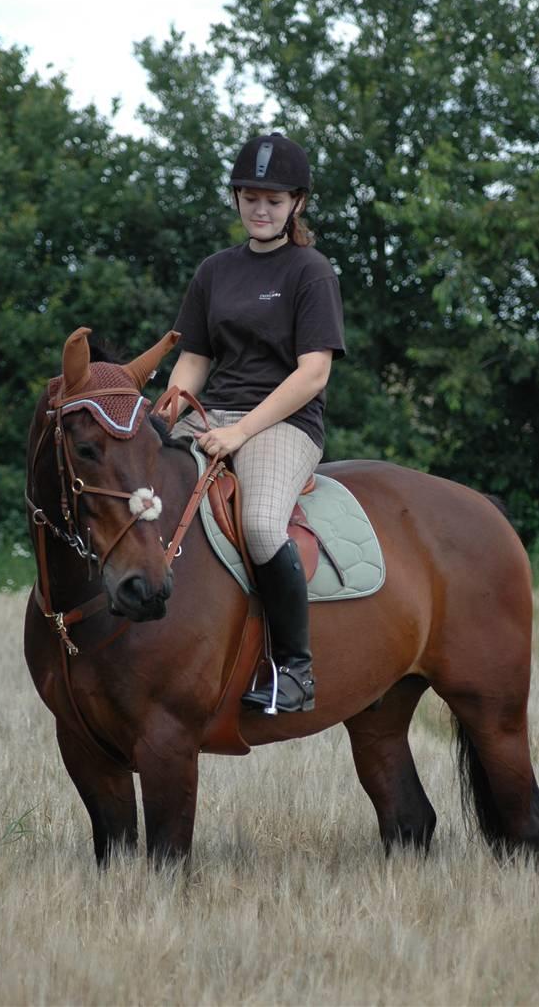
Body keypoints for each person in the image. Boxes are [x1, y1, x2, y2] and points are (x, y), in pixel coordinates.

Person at [167, 132, 345, 713]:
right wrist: (161, 416)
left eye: (273, 199)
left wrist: (241, 432)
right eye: (249, 197)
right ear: (237, 199)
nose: (260, 209)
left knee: (264, 525)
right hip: (211, 415)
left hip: (284, 424)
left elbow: (313, 374)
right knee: (139, 488)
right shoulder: (215, 271)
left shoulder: (310, 271)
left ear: (297, 203)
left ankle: (295, 669)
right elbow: (193, 360)